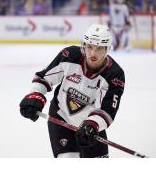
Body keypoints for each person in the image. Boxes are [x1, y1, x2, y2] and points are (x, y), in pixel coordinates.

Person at [19, 24, 125, 158]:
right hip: (61, 116)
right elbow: (44, 77)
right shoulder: (69, 55)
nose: (93, 53)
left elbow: (107, 110)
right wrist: (36, 94)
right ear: (84, 45)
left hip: (90, 126)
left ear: (107, 49)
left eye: (99, 49)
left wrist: (93, 124)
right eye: (90, 47)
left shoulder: (115, 74)